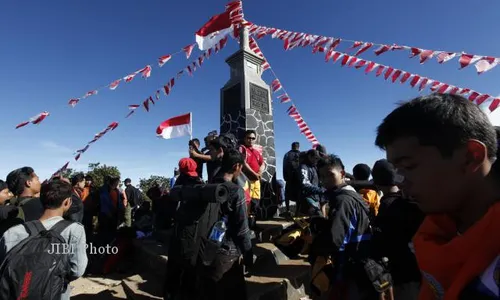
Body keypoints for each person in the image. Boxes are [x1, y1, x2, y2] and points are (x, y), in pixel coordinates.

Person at [374, 93, 500, 299]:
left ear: (471, 157)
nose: (399, 181)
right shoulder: (438, 233)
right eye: (396, 169)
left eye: (408, 166)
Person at [0, 180, 87, 300]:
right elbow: (77, 270)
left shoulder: (13, 232)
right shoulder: (74, 230)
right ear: (67, 202)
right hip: (56, 294)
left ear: (41, 200)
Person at [312, 154, 376, 299]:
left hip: (350, 266)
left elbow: (336, 240)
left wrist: (315, 243)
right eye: (321, 176)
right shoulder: (353, 194)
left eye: (329, 175)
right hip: (363, 262)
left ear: (341, 173)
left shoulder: (342, 200)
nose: (325, 180)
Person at [370, 159, 424, 300]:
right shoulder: (413, 202)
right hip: (422, 270)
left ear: (377, 183)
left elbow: (383, 244)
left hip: (403, 273)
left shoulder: (387, 206)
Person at [239, 130, 265, 216]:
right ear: (245, 139)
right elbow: (243, 162)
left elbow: (263, 163)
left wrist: (260, 172)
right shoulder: (243, 149)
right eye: (248, 138)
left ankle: (253, 222)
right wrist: (254, 173)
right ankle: (246, 225)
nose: (251, 140)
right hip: (247, 179)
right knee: (247, 202)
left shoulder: (256, 152)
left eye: (253, 138)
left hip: (256, 180)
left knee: (255, 202)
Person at [299, 149, 325, 216]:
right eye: (315, 158)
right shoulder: (304, 167)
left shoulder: (314, 167)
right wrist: (321, 190)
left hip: (316, 198)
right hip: (308, 198)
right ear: (309, 156)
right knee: (318, 217)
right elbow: (305, 184)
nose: (317, 160)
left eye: (318, 159)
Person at [283, 142, 301, 213]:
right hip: (294, 178)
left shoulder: (288, 154)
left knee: (295, 194)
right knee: (294, 194)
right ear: (299, 147)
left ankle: (289, 210)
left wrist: (285, 176)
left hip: (292, 177)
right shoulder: (301, 154)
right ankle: (293, 211)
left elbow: (284, 166)